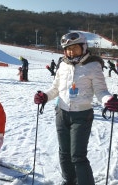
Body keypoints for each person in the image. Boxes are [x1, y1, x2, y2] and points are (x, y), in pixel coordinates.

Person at [34, 32, 117, 185]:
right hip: (61, 113)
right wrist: (45, 96)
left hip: (82, 115)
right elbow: (55, 89)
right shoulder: (63, 65)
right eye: (67, 49)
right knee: (64, 153)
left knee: (77, 156)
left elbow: (101, 91)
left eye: (74, 48)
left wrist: (108, 100)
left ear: (83, 47)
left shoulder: (93, 66)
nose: (71, 52)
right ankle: (69, 180)